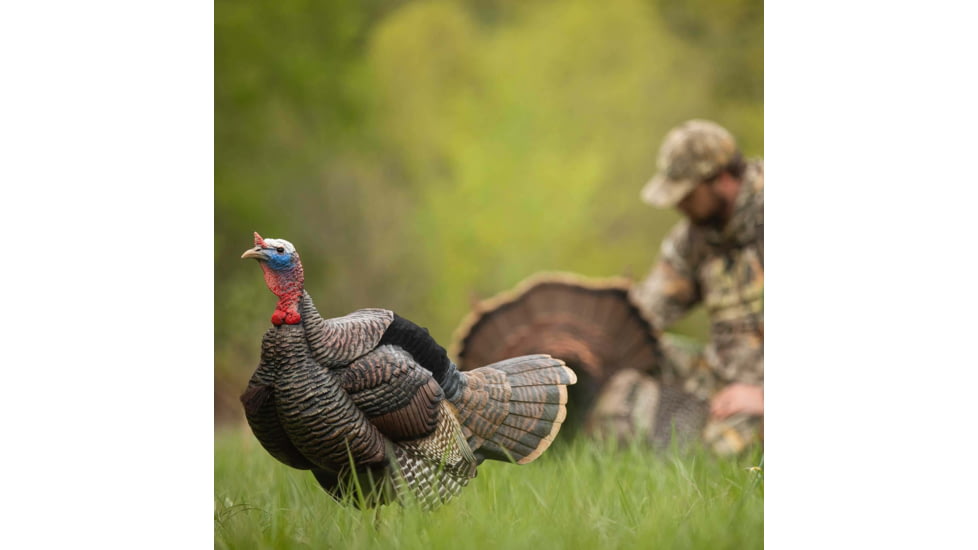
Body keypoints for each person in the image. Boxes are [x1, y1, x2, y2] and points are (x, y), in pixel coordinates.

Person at [629, 118, 764, 455]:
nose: (679, 204)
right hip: (727, 377)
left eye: (688, 194)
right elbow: (647, 312)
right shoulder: (696, 237)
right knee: (636, 358)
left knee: (721, 452)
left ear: (721, 179)